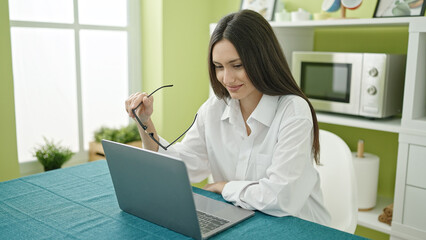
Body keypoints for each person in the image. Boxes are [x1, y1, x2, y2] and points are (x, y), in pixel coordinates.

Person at [125, 9, 331, 226]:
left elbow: (281, 198)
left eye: (237, 65)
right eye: (218, 67)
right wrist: (145, 122)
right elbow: (182, 168)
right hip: (245, 219)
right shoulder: (214, 108)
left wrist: (224, 187)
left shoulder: (293, 111)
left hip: (299, 226)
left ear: (263, 59)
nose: (227, 78)